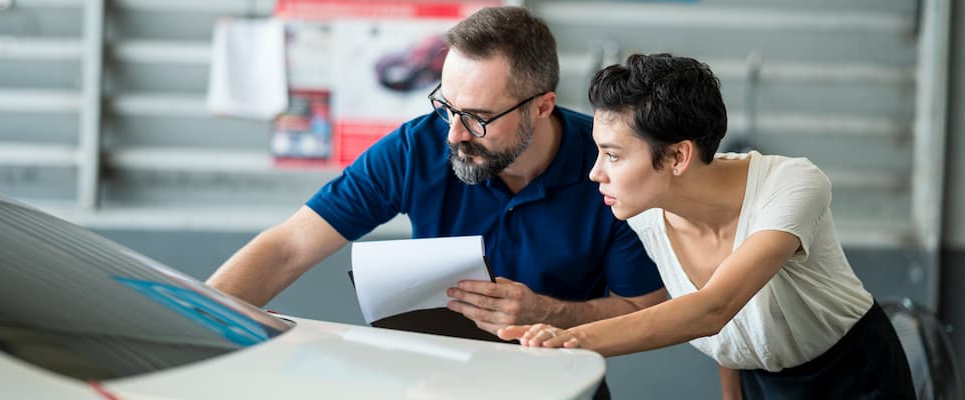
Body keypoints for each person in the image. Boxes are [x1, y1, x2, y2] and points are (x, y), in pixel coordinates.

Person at [205, 6, 666, 344]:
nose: (453, 135)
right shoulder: (417, 147)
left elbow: (644, 309)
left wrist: (550, 312)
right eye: (446, 106)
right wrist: (193, 324)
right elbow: (288, 248)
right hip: (433, 379)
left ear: (542, 106)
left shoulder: (609, 165)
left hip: (558, 381)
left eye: (479, 117)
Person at [498, 53, 916, 400]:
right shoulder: (645, 212)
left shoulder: (791, 186)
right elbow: (731, 338)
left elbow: (714, 308)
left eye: (613, 155)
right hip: (758, 383)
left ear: (678, 156)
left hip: (853, 376)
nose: (595, 173)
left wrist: (575, 339)